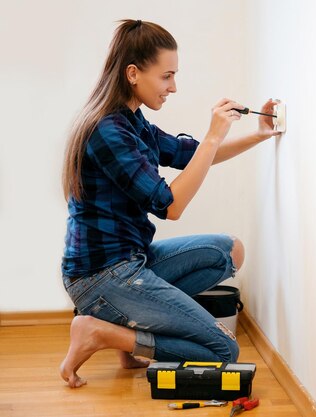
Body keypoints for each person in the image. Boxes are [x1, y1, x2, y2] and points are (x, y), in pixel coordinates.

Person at [59, 19, 279, 388]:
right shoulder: (107, 131)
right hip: (101, 276)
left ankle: (122, 323)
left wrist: (257, 135)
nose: (173, 87)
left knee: (229, 252)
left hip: (131, 259)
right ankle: (103, 333)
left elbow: (187, 153)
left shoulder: (132, 121)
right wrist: (212, 135)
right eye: (166, 76)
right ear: (133, 73)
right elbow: (171, 207)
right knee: (223, 351)